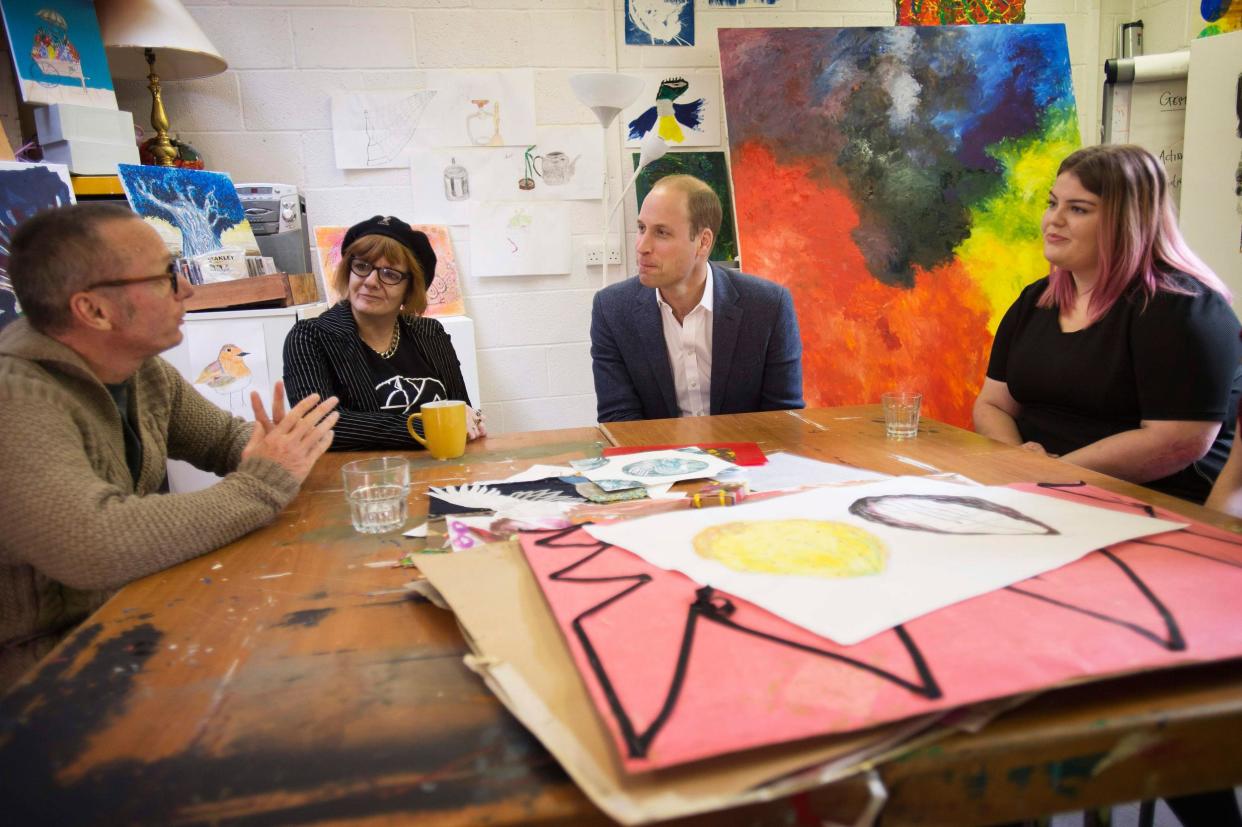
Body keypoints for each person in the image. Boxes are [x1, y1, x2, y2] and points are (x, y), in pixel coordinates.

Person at [0, 204, 339, 691]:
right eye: (165, 275)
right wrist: (263, 482)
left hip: (125, 618)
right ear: (94, 310)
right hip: (39, 672)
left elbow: (226, 442)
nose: (186, 289)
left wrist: (279, 447)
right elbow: (93, 544)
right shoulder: (15, 396)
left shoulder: (139, 369)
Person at [973, 145, 1242, 504]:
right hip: (1039, 489)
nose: (1054, 220)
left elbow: (1179, 441)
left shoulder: (1183, 309)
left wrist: (1055, 474)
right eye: (1053, 204)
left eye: (1078, 209)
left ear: (1127, 220)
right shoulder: (1035, 300)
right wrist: (1018, 462)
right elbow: (993, 405)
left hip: (1147, 503)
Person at [590, 174, 804, 422]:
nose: (642, 246)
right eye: (641, 228)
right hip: (658, 457)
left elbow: (782, 418)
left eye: (661, 232)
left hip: (748, 455)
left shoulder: (768, 306)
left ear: (703, 243)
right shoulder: (612, 310)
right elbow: (619, 419)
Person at [283, 215, 484, 450]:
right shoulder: (310, 337)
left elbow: (461, 411)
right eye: (362, 266)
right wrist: (428, 427)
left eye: (390, 274)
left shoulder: (430, 333)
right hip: (359, 480)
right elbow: (320, 426)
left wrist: (470, 419)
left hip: (441, 472)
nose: (370, 281)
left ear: (410, 288)